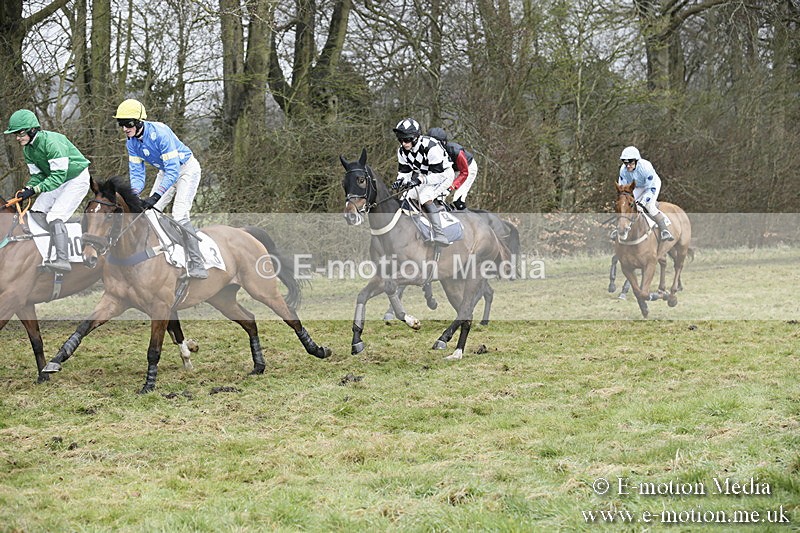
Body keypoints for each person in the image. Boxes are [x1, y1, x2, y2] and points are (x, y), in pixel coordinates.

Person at [113, 99, 208, 278]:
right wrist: (133, 196)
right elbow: (137, 176)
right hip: (166, 172)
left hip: (185, 170)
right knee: (149, 215)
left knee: (179, 214)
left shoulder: (160, 133)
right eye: (121, 124)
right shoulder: (131, 143)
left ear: (139, 121)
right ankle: (169, 252)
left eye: (128, 123)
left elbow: (174, 171)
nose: (125, 128)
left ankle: (197, 262)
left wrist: (155, 197)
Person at [4, 109, 91, 272]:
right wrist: (28, 188)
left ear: (32, 129)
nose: (17, 138)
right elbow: (37, 176)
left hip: (76, 179)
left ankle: (63, 260)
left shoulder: (51, 143)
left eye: (20, 133)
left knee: (55, 216)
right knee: (36, 212)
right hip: (58, 180)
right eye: (16, 134)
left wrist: (36, 189)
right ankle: (48, 254)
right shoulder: (27, 149)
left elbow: (58, 176)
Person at [390, 117, 455, 246]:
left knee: (425, 196)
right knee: (406, 196)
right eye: (401, 140)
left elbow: (438, 175)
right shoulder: (402, 152)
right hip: (425, 176)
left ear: (416, 137)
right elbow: (405, 173)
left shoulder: (431, 147)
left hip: (443, 175)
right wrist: (400, 181)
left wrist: (419, 180)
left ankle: (440, 234)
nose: (404, 143)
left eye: (407, 139)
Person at [617, 146, 674, 241]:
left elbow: (650, 188)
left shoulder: (646, 167)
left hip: (651, 185)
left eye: (630, 162)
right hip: (637, 186)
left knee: (649, 206)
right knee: (626, 205)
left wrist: (642, 202)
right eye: (625, 162)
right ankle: (621, 227)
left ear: (636, 161)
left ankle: (664, 230)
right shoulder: (623, 170)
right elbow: (623, 189)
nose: (628, 166)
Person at [427, 127, 477, 210]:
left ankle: (467, 219)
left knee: (457, 200)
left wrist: (451, 187)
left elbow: (464, 173)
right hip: (451, 170)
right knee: (438, 196)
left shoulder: (456, 151)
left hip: (467, 168)